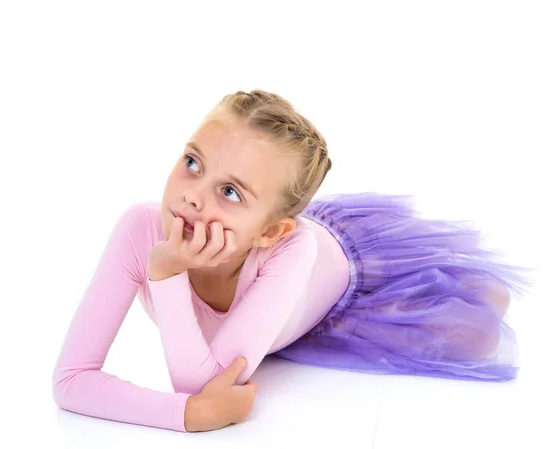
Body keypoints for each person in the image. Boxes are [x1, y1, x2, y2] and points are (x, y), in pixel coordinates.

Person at [52, 90, 532, 433]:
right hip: (279, 273)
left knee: (480, 324)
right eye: (193, 162)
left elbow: (201, 384)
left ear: (269, 230)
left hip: (340, 287)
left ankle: (437, 281)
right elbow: (72, 381)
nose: (193, 197)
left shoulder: (289, 246)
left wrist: (169, 274)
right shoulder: (139, 230)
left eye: (230, 191)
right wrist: (186, 414)